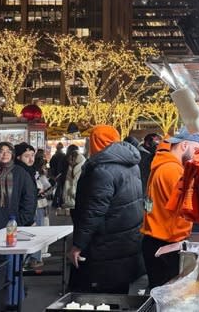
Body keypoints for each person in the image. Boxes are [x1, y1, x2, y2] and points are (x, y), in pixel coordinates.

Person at [68, 125, 144, 293]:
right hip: (126, 241)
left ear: (96, 142)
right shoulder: (131, 164)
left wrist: (78, 245)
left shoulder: (102, 170)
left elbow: (93, 212)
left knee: (95, 297)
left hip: (104, 244)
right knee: (118, 295)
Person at [141, 126, 199, 289]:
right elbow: (187, 209)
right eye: (196, 149)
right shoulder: (172, 170)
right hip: (166, 245)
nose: (198, 155)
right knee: (169, 300)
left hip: (158, 241)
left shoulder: (164, 165)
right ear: (184, 145)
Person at [61, 145, 86, 216]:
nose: (69, 161)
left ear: (75, 158)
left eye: (70, 159)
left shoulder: (81, 168)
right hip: (70, 202)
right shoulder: (71, 167)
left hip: (77, 202)